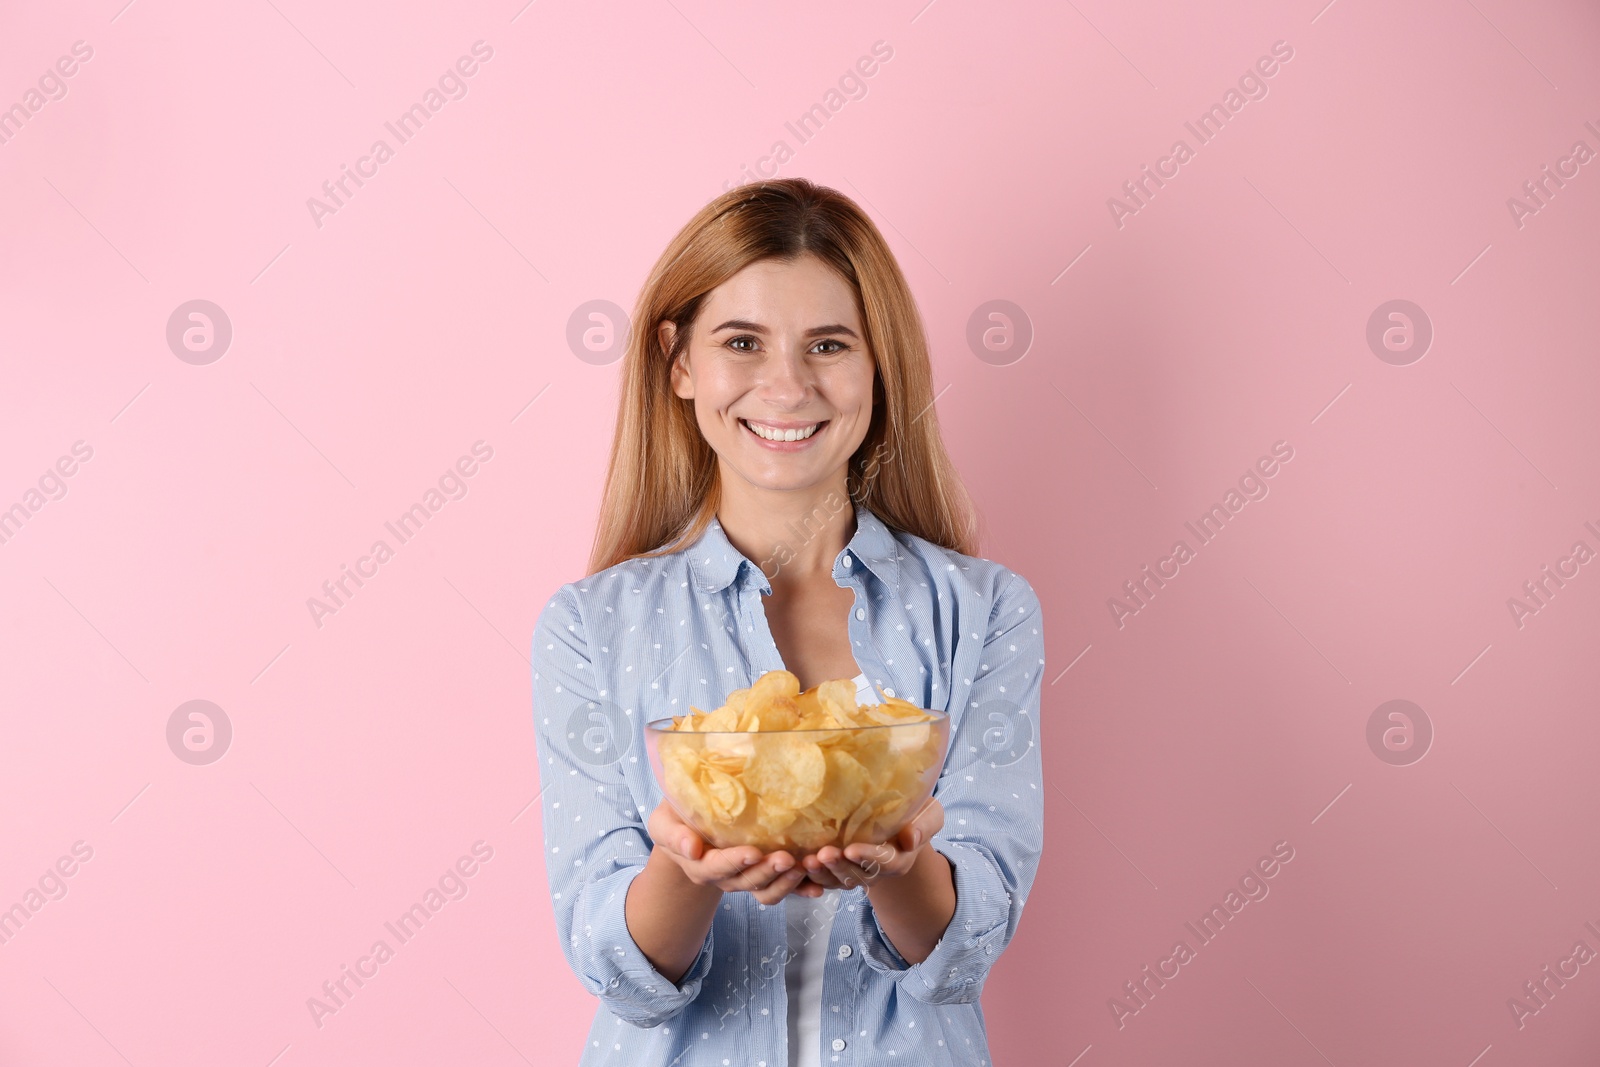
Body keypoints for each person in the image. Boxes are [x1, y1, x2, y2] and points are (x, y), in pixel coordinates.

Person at [531, 177, 1045, 1066]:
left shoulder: (984, 611)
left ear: (878, 366)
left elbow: (963, 954)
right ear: (680, 361)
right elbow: (613, 969)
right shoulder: (589, 628)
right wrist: (687, 869)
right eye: (742, 341)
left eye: (829, 344)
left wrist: (900, 863)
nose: (788, 384)